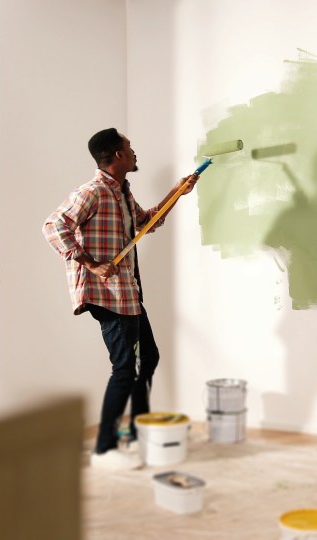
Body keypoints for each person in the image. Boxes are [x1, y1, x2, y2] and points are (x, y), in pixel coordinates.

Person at [43, 128, 199, 470]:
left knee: (150, 357)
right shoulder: (93, 192)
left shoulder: (122, 195)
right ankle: (104, 448)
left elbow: (147, 223)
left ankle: (136, 428)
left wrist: (178, 192)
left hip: (127, 293)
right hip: (106, 294)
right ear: (117, 155)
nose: (135, 152)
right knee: (125, 368)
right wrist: (91, 264)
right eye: (130, 148)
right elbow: (54, 226)